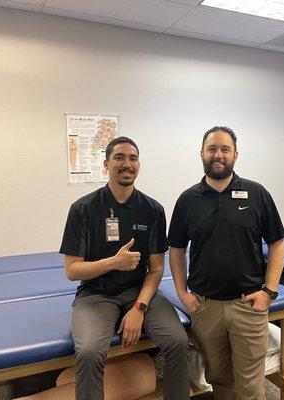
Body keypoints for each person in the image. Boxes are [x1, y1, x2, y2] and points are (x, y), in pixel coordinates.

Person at [60, 136, 189, 400]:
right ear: (106, 164)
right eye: (119, 157)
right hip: (96, 294)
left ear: (138, 165)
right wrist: (113, 263)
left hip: (140, 292)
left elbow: (155, 270)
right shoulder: (83, 209)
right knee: (88, 353)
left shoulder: (152, 210)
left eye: (132, 158)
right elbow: (72, 270)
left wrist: (139, 308)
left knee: (177, 342)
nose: (126, 163)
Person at [168, 126, 284, 399]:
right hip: (205, 306)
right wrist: (181, 292)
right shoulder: (187, 200)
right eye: (212, 149)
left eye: (225, 149)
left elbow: (277, 243)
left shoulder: (257, 194)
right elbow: (176, 249)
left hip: (248, 305)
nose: (218, 155)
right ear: (201, 154)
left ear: (236, 154)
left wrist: (269, 291)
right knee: (218, 380)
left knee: (250, 387)